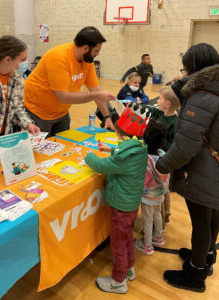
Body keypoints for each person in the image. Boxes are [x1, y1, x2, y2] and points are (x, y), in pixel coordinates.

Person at [156, 43, 219, 292]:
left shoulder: (203, 97)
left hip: (205, 170)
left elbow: (186, 146)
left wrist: (163, 164)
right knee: (211, 214)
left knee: (201, 221)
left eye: (186, 68)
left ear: (193, 68)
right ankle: (206, 257)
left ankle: (195, 275)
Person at [85, 106, 148, 294]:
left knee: (118, 243)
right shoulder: (140, 147)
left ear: (119, 132)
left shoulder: (123, 156)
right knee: (127, 237)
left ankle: (118, 280)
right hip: (130, 204)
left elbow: (101, 165)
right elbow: (124, 152)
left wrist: (89, 156)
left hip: (120, 206)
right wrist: (111, 149)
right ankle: (129, 269)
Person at [24, 26, 116, 137]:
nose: (97, 54)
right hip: (38, 112)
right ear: (85, 48)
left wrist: (107, 118)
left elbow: (96, 90)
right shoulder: (58, 57)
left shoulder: (87, 61)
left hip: (61, 113)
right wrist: (96, 95)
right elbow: (63, 97)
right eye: (96, 51)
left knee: (63, 147)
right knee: (40, 151)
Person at [130, 86, 180, 227]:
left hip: (162, 163)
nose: (157, 100)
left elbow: (171, 146)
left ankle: (165, 217)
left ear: (168, 104)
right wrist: (131, 104)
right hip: (153, 159)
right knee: (159, 193)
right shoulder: (159, 113)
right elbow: (146, 109)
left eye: (160, 99)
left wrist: (156, 149)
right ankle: (161, 218)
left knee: (164, 194)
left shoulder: (175, 123)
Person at [135, 121, 169, 255]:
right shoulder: (164, 155)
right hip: (160, 194)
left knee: (147, 220)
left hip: (148, 197)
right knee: (157, 215)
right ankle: (158, 237)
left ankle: (147, 245)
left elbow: (143, 181)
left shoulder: (147, 160)